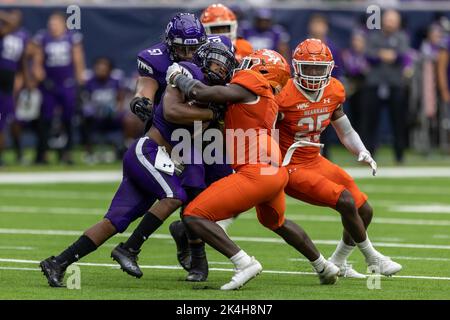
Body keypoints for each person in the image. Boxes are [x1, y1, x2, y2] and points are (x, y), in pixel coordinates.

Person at [39, 49, 235, 287]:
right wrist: (213, 112)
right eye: (216, 64)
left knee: (113, 221)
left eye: (225, 66)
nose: (220, 69)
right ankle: (130, 248)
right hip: (149, 150)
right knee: (175, 195)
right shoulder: (189, 73)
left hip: (160, 158)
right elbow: (172, 112)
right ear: (203, 60)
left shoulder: (216, 92)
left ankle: (58, 262)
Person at [166, 49, 340, 290]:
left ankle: (244, 263)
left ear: (263, 70)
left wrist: (178, 78)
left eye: (251, 62)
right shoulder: (267, 100)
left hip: (256, 170)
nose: (243, 66)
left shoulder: (254, 82)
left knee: (193, 216)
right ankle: (323, 265)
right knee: (277, 222)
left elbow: (205, 93)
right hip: (274, 171)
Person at [276, 38, 402, 278]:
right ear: (296, 67)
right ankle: (373, 258)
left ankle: (339, 261)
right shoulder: (283, 94)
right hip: (289, 165)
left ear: (329, 69)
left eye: (318, 69)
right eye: (308, 67)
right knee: (345, 200)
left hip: (314, 159)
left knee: (364, 209)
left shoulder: (333, 89)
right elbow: (266, 133)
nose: (313, 74)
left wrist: (361, 150)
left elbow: (345, 130)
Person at [29, 11, 85, 165]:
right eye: (50, 24)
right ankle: (43, 153)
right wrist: (42, 78)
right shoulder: (43, 38)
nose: (52, 27)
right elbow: (37, 62)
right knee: (45, 119)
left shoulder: (72, 38)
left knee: (68, 119)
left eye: (55, 23)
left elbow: (78, 60)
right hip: (49, 84)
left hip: (67, 83)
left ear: (63, 24)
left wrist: (79, 83)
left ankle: (67, 153)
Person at [363, 9, 410, 164]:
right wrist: (386, 55)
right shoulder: (374, 36)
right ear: (383, 20)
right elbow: (369, 55)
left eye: (393, 20)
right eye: (388, 20)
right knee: (371, 120)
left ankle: (399, 154)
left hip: (395, 84)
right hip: (375, 83)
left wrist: (385, 54)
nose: (390, 23)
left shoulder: (402, 37)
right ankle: (368, 153)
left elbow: (402, 56)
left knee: (398, 121)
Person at [80, 57, 126, 163]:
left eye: (104, 68)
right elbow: (85, 100)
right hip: (95, 114)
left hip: (112, 113)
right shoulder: (90, 81)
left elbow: (121, 99)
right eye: (99, 68)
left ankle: (123, 149)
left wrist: (116, 109)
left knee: (129, 119)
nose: (101, 71)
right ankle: (89, 152)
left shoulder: (115, 80)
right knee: (84, 118)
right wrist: (92, 110)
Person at [0, 9, 29, 165]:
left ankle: (19, 153)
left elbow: (23, 60)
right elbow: (9, 24)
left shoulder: (23, 35)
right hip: (2, 76)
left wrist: (26, 79)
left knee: (13, 119)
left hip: (10, 81)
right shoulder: (3, 31)